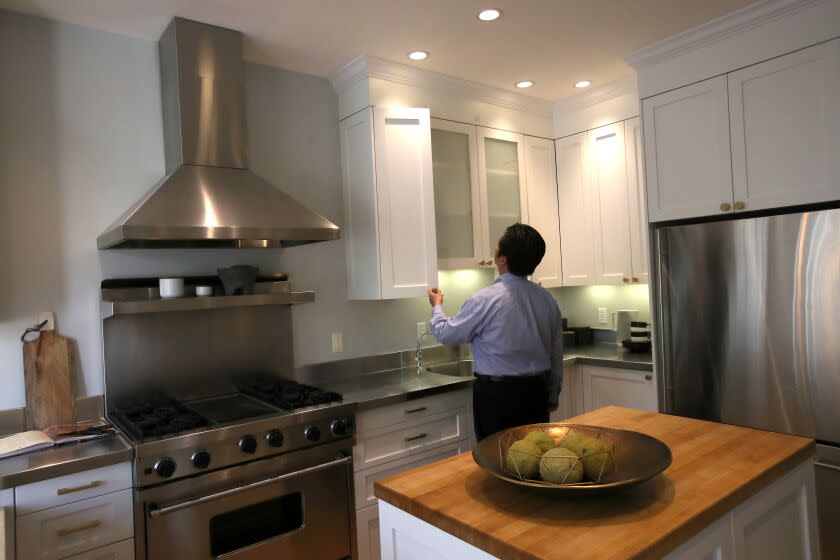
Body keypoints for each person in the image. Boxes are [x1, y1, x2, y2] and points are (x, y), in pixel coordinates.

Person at [428, 223, 563, 440]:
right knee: (533, 458)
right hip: (537, 393)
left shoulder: (484, 299)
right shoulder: (547, 299)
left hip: (498, 398)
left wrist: (437, 305)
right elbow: (556, 352)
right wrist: (553, 391)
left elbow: (446, 334)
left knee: (496, 459)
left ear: (502, 258)